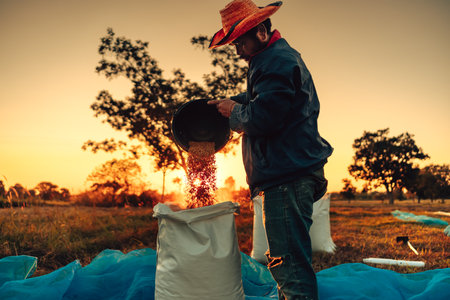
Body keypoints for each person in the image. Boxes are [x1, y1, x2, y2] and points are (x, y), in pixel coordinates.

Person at [207, 1, 333, 299]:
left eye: (240, 42)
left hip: (287, 176)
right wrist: (229, 102)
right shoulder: (273, 60)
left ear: (261, 32)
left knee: (287, 263)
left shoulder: (274, 62)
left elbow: (264, 117)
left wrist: (234, 112)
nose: (237, 50)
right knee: (288, 259)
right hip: (289, 171)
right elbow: (262, 97)